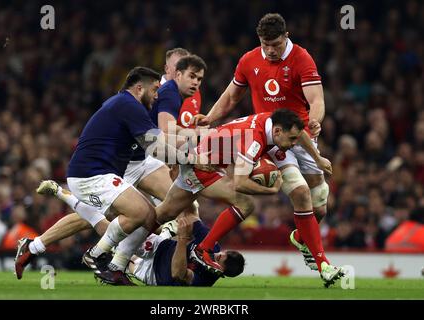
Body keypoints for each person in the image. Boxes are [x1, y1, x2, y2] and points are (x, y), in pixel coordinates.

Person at [96, 109, 343, 287]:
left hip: (203, 158)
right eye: (289, 139)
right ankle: (203, 250)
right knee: (246, 203)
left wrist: (318, 159)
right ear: (277, 131)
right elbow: (240, 182)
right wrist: (271, 190)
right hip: (203, 167)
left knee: (161, 214)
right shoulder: (255, 140)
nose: (289, 146)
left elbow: (299, 135)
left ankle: (113, 258)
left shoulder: (271, 120)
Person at [14, 66, 203, 283]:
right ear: (140, 88)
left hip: (100, 174)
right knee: (140, 212)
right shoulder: (129, 105)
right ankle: (97, 256)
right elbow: (155, 146)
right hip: (91, 175)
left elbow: (158, 142)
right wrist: (190, 156)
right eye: (154, 90)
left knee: (146, 216)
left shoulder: (126, 105)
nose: (157, 95)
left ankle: (109, 265)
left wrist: (186, 149)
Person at [194, 13, 332, 273]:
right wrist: (210, 117)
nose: (269, 50)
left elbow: (316, 100)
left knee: (320, 204)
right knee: (300, 192)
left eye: (275, 45)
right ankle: (321, 261)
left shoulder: (302, 58)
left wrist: (314, 121)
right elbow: (232, 96)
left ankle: (302, 238)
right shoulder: (249, 60)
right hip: (273, 138)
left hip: (301, 134)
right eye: (264, 44)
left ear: (286, 37)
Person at [124, 216, 245, 286]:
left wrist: (182, 239)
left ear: (221, 272)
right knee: (125, 235)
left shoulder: (204, 280)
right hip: (161, 248)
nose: (215, 255)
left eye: (218, 259)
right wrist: (184, 222)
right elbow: (193, 219)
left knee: (125, 261)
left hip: (155, 274)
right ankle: (166, 231)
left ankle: (166, 231)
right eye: (221, 254)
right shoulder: (212, 246)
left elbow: (177, 273)